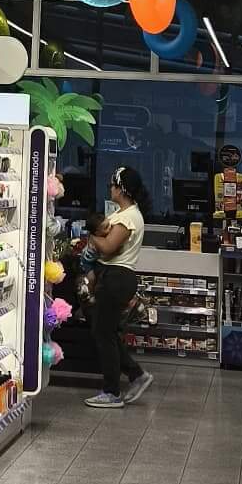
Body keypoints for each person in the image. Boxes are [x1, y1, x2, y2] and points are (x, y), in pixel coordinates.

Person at [79, 165, 153, 408]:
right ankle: (135, 375)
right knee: (106, 332)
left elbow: (109, 247)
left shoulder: (128, 217)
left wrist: (92, 237)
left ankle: (112, 391)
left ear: (122, 189)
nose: (110, 188)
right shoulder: (122, 214)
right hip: (113, 277)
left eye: (113, 185)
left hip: (117, 277)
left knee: (103, 333)